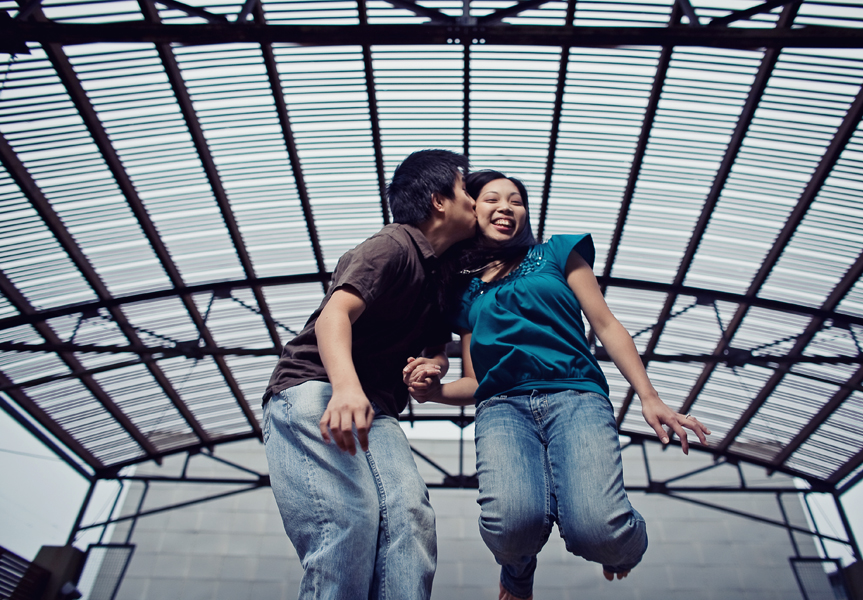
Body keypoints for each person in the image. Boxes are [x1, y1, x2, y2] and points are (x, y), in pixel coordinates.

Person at [403, 170, 711, 600]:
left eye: (516, 200)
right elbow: (475, 382)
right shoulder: (465, 292)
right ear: (472, 210)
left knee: (599, 530)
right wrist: (433, 391)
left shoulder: (557, 253)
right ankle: (517, 574)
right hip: (502, 409)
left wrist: (649, 396)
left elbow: (605, 323)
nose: (506, 207)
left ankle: (622, 549)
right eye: (491, 199)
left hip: (576, 397)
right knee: (510, 528)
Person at [262, 149, 476, 600]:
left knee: (410, 517)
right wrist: (344, 387)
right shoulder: (394, 244)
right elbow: (333, 314)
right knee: (347, 522)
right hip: (316, 388)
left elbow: (437, 351)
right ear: (439, 200)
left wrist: (431, 370)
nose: (475, 200)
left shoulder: (441, 276)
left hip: (375, 406)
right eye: (464, 189)